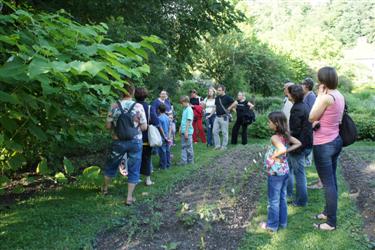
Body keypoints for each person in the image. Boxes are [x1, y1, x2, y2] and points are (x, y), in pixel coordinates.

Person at [309, 66, 345, 231]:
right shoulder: (339, 95)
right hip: (336, 141)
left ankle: (331, 222)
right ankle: (327, 212)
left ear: (322, 81)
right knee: (332, 181)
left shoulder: (325, 97)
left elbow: (311, 117)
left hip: (324, 144)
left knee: (328, 183)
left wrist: (319, 96)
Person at [103, 83, 147, 205]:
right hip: (135, 141)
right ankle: (129, 197)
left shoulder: (114, 106)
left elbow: (107, 126)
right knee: (134, 168)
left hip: (118, 140)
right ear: (132, 92)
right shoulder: (138, 106)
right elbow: (144, 127)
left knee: (111, 165)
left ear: (120, 92)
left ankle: (105, 189)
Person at [260, 111, 301, 232]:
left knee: (273, 200)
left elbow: (282, 148)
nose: (268, 124)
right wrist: (285, 151)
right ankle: (282, 223)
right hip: (284, 171)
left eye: (270, 122)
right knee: (282, 197)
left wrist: (273, 156)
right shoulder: (285, 135)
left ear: (276, 123)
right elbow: (298, 143)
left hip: (275, 172)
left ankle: (272, 226)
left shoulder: (274, 137)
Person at [286, 85, 313, 207]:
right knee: (290, 169)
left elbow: (295, 130)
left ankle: (302, 201)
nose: (287, 94)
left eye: (288, 93)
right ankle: (289, 193)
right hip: (305, 144)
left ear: (292, 95)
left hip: (298, 146)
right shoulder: (304, 105)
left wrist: (285, 135)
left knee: (299, 174)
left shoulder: (296, 109)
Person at [134, 87, 166, 186]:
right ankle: (147, 180)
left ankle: (135, 178)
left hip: (133, 137)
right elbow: (157, 123)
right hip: (145, 138)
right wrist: (164, 136)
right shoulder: (148, 108)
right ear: (146, 96)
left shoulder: (132, 106)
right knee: (147, 158)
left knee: (134, 158)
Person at [210, 85, 235, 150]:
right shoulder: (217, 98)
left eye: (219, 90)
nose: (218, 91)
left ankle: (224, 146)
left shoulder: (227, 97)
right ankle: (217, 145)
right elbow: (215, 107)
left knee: (224, 132)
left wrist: (229, 108)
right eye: (218, 90)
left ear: (223, 91)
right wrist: (210, 115)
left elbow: (235, 102)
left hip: (224, 117)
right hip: (217, 117)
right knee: (214, 131)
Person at [179, 96, 194, 165]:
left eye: (182, 103)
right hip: (183, 131)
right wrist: (180, 128)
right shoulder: (184, 109)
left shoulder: (189, 109)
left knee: (188, 147)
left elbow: (188, 121)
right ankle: (183, 161)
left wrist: (186, 132)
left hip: (187, 132)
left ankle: (190, 161)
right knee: (183, 146)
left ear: (186, 102)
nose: (181, 105)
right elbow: (183, 121)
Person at [157, 104, 171, 169]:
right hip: (168, 136)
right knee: (168, 150)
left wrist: (164, 137)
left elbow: (160, 128)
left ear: (159, 110)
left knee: (163, 151)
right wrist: (169, 136)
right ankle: (168, 164)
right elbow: (170, 127)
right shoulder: (167, 117)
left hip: (162, 137)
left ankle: (163, 165)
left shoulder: (159, 118)